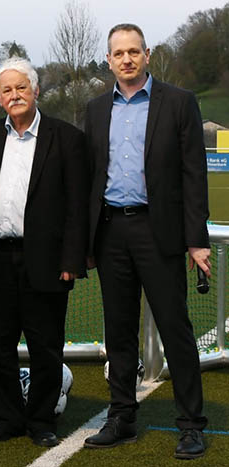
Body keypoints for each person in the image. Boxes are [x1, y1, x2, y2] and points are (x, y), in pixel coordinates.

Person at [83, 24, 210, 460]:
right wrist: (87, 241)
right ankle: (122, 418)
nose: (127, 59)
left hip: (161, 233)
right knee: (118, 333)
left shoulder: (178, 102)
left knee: (176, 330)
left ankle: (191, 424)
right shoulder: (96, 109)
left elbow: (194, 174)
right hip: (111, 232)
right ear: (109, 59)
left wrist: (196, 240)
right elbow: (89, 177)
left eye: (134, 51)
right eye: (118, 53)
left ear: (147, 54)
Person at [0, 57, 89, 447]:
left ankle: (43, 419)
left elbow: (77, 206)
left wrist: (72, 260)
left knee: (46, 344)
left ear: (36, 90)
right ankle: (6, 419)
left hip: (45, 260)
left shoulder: (66, 138)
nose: (15, 95)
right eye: (7, 90)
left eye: (21, 88)